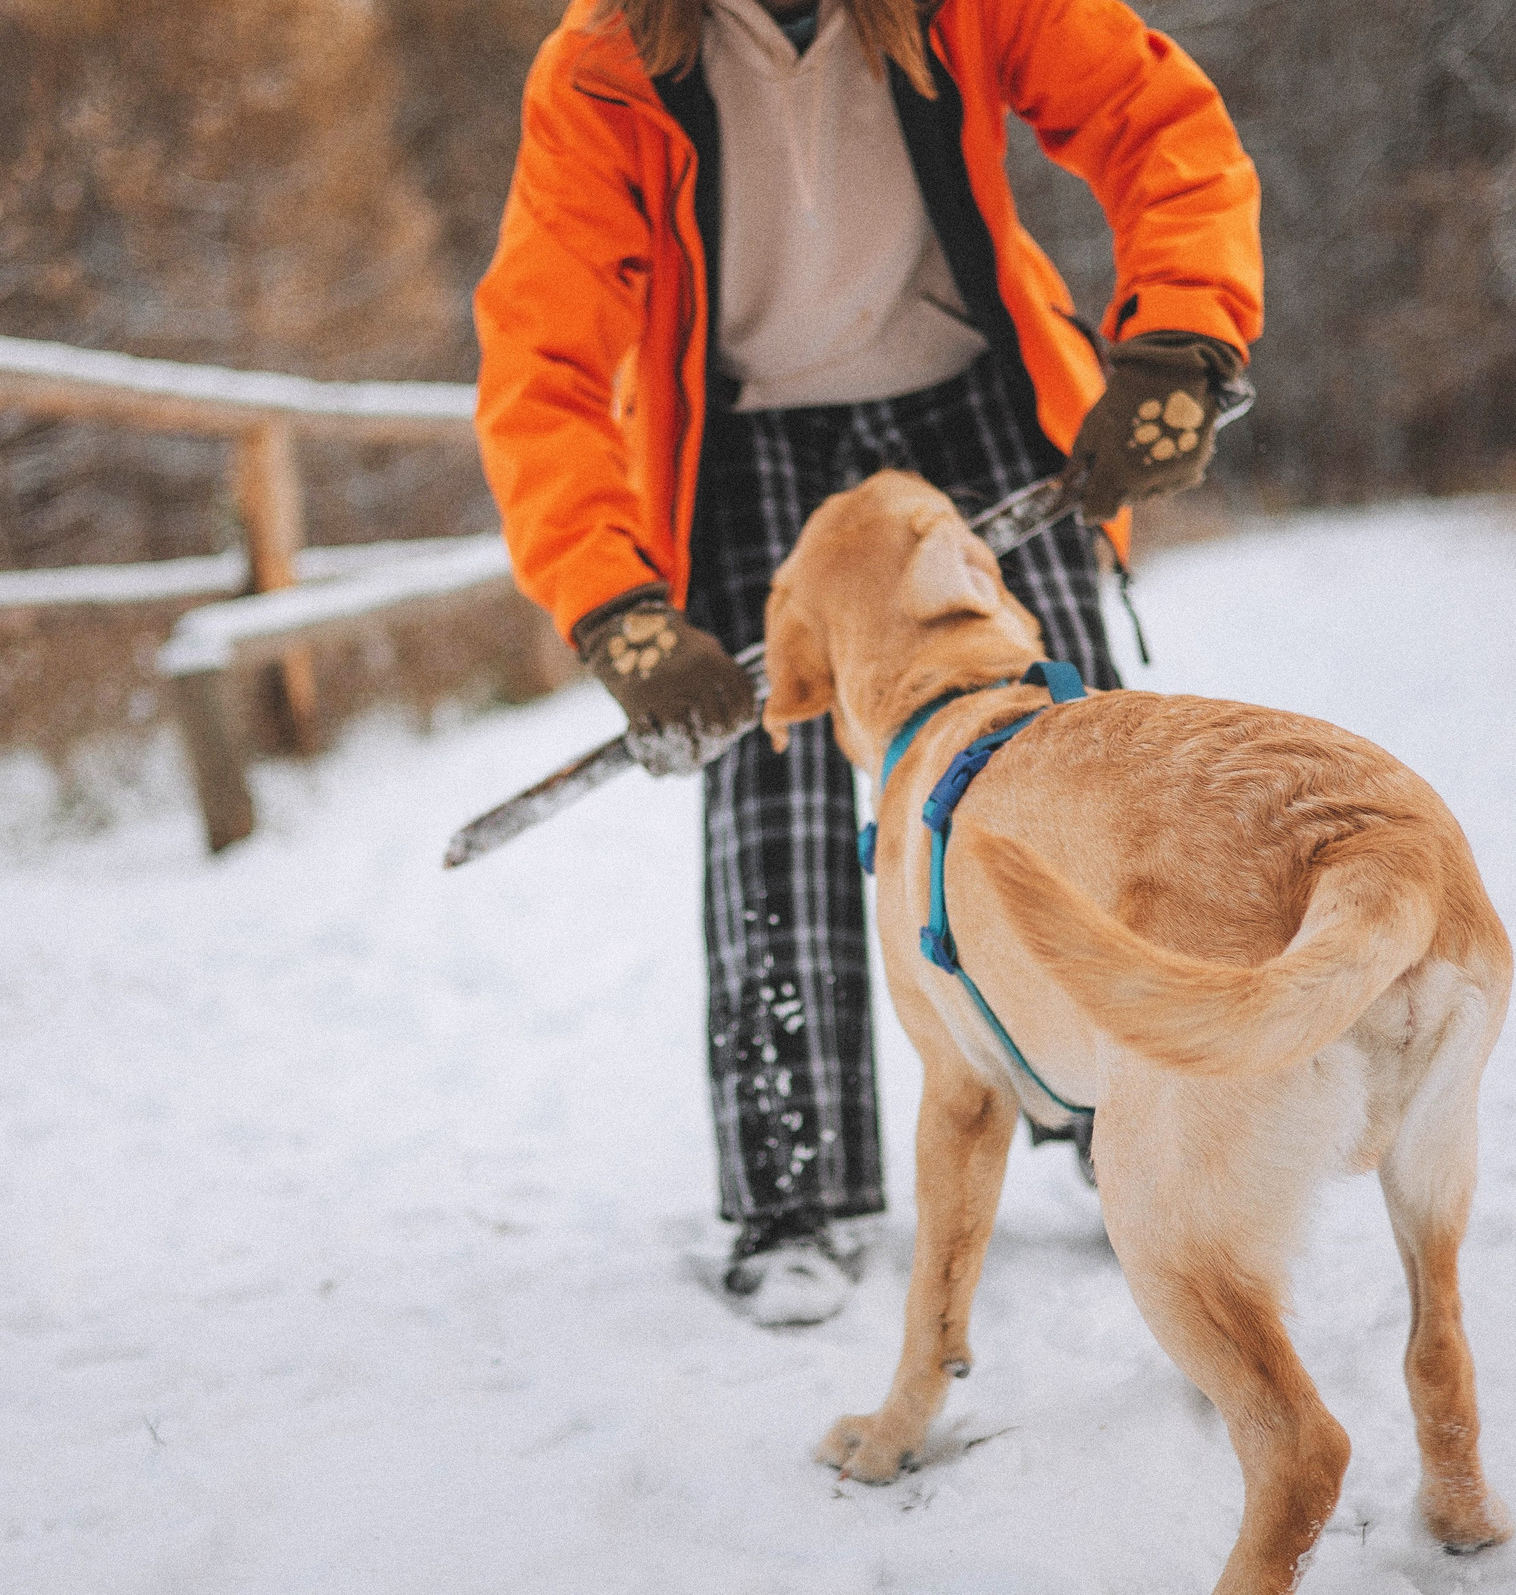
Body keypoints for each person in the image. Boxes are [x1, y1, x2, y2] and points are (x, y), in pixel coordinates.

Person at [474, 0, 1262, 1325]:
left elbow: (1154, 119)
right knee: (769, 789)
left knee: (1067, 757)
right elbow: (545, 359)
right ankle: (796, 1186)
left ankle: (1120, 1123)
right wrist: (616, 606)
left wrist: (1180, 338)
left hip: (972, 394)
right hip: (746, 436)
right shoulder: (605, 65)